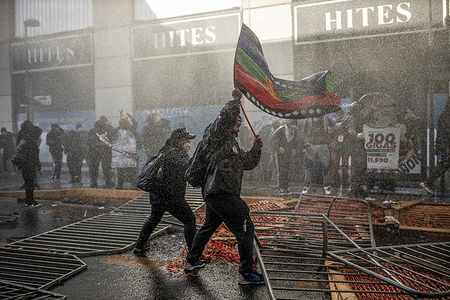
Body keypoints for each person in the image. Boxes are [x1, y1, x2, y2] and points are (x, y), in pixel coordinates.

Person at [184, 88, 265, 285]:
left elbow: (246, 163)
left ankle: (192, 260)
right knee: (245, 227)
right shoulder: (215, 135)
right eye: (235, 120)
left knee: (209, 225)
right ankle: (246, 273)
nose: (238, 122)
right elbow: (226, 117)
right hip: (221, 192)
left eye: (239, 121)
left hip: (217, 193)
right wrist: (235, 100)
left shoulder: (231, 143)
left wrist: (255, 150)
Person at [134, 128, 197, 254]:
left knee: (154, 218)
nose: (188, 142)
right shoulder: (177, 153)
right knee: (190, 220)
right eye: (186, 139)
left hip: (157, 194)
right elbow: (189, 167)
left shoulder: (165, 150)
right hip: (171, 196)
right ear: (179, 141)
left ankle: (139, 245)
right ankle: (193, 254)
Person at [421, 98, 450, 194]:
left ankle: (427, 182)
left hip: (444, 144)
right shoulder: (447, 116)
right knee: (444, 165)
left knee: (444, 165)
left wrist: (437, 145)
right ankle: (427, 182)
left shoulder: (444, 115)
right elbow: (446, 131)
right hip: (446, 145)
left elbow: (441, 133)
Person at [302, 114, 334, 195]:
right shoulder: (308, 120)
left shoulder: (325, 119)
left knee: (326, 166)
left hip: (323, 145)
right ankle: (306, 186)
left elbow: (335, 126)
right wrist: (307, 144)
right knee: (308, 166)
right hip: (311, 145)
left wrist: (343, 123)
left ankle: (327, 186)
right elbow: (304, 134)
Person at [12, 122, 43, 207]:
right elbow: (35, 156)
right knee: (30, 184)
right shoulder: (32, 142)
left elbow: (20, 153)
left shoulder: (24, 139)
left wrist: (20, 166)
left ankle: (30, 201)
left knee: (28, 184)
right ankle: (29, 202)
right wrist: (39, 167)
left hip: (25, 165)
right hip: (30, 165)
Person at [271, 119, 302, 195]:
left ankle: (286, 187)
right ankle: (281, 187)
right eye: (291, 127)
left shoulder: (296, 131)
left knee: (288, 170)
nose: (292, 129)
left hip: (288, 153)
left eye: (294, 127)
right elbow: (272, 140)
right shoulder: (280, 130)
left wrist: (294, 148)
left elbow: (296, 141)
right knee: (281, 171)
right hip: (280, 153)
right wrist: (278, 147)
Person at [111, 114, 140, 189]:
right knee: (121, 171)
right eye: (123, 122)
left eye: (126, 122)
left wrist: (132, 118)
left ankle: (133, 185)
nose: (125, 124)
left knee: (131, 170)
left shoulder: (131, 129)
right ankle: (120, 185)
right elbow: (112, 140)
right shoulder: (117, 130)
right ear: (120, 123)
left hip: (130, 154)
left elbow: (136, 125)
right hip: (121, 154)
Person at [347, 101, 369, 197]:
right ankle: (353, 189)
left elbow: (370, 118)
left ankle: (358, 188)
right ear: (357, 110)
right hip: (355, 146)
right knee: (357, 168)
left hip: (360, 146)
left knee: (362, 167)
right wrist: (357, 135)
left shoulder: (359, 118)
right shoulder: (352, 119)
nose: (363, 111)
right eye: (361, 109)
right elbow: (350, 130)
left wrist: (372, 108)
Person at [87, 116, 115, 188]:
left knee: (94, 167)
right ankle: (108, 181)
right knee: (106, 167)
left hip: (95, 151)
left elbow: (89, 142)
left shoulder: (93, 130)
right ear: (106, 121)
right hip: (105, 151)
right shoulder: (108, 129)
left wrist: (95, 145)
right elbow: (113, 137)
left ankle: (94, 181)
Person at [329, 107, 350, 189]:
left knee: (345, 164)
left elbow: (350, 131)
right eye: (337, 113)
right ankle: (335, 179)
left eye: (340, 113)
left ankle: (345, 179)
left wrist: (346, 122)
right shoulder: (333, 122)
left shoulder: (346, 121)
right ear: (335, 114)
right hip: (335, 145)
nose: (338, 115)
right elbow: (330, 134)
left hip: (345, 145)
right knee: (334, 164)